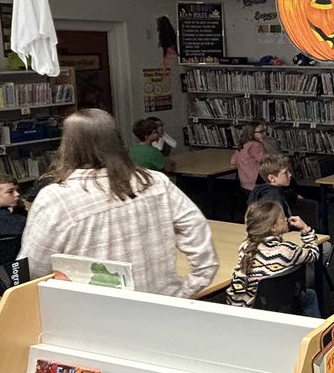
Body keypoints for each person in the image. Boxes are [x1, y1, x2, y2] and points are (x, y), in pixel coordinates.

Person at [19, 109, 218, 297]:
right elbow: (197, 229)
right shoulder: (155, 182)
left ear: (67, 147)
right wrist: (187, 288)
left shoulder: (55, 198)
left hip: (93, 320)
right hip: (162, 305)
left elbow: (32, 271)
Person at [227, 201, 321, 318]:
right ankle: (318, 331)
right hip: (278, 305)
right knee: (310, 295)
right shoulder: (287, 251)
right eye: (282, 217)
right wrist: (305, 228)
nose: (286, 218)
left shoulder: (245, 247)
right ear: (273, 227)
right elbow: (314, 253)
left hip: (246, 310)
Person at [231, 120, 271, 192]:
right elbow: (265, 161)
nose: (264, 133)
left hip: (245, 181)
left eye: (264, 131)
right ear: (251, 134)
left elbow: (233, 161)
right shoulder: (256, 145)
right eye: (261, 132)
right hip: (258, 180)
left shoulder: (243, 145)